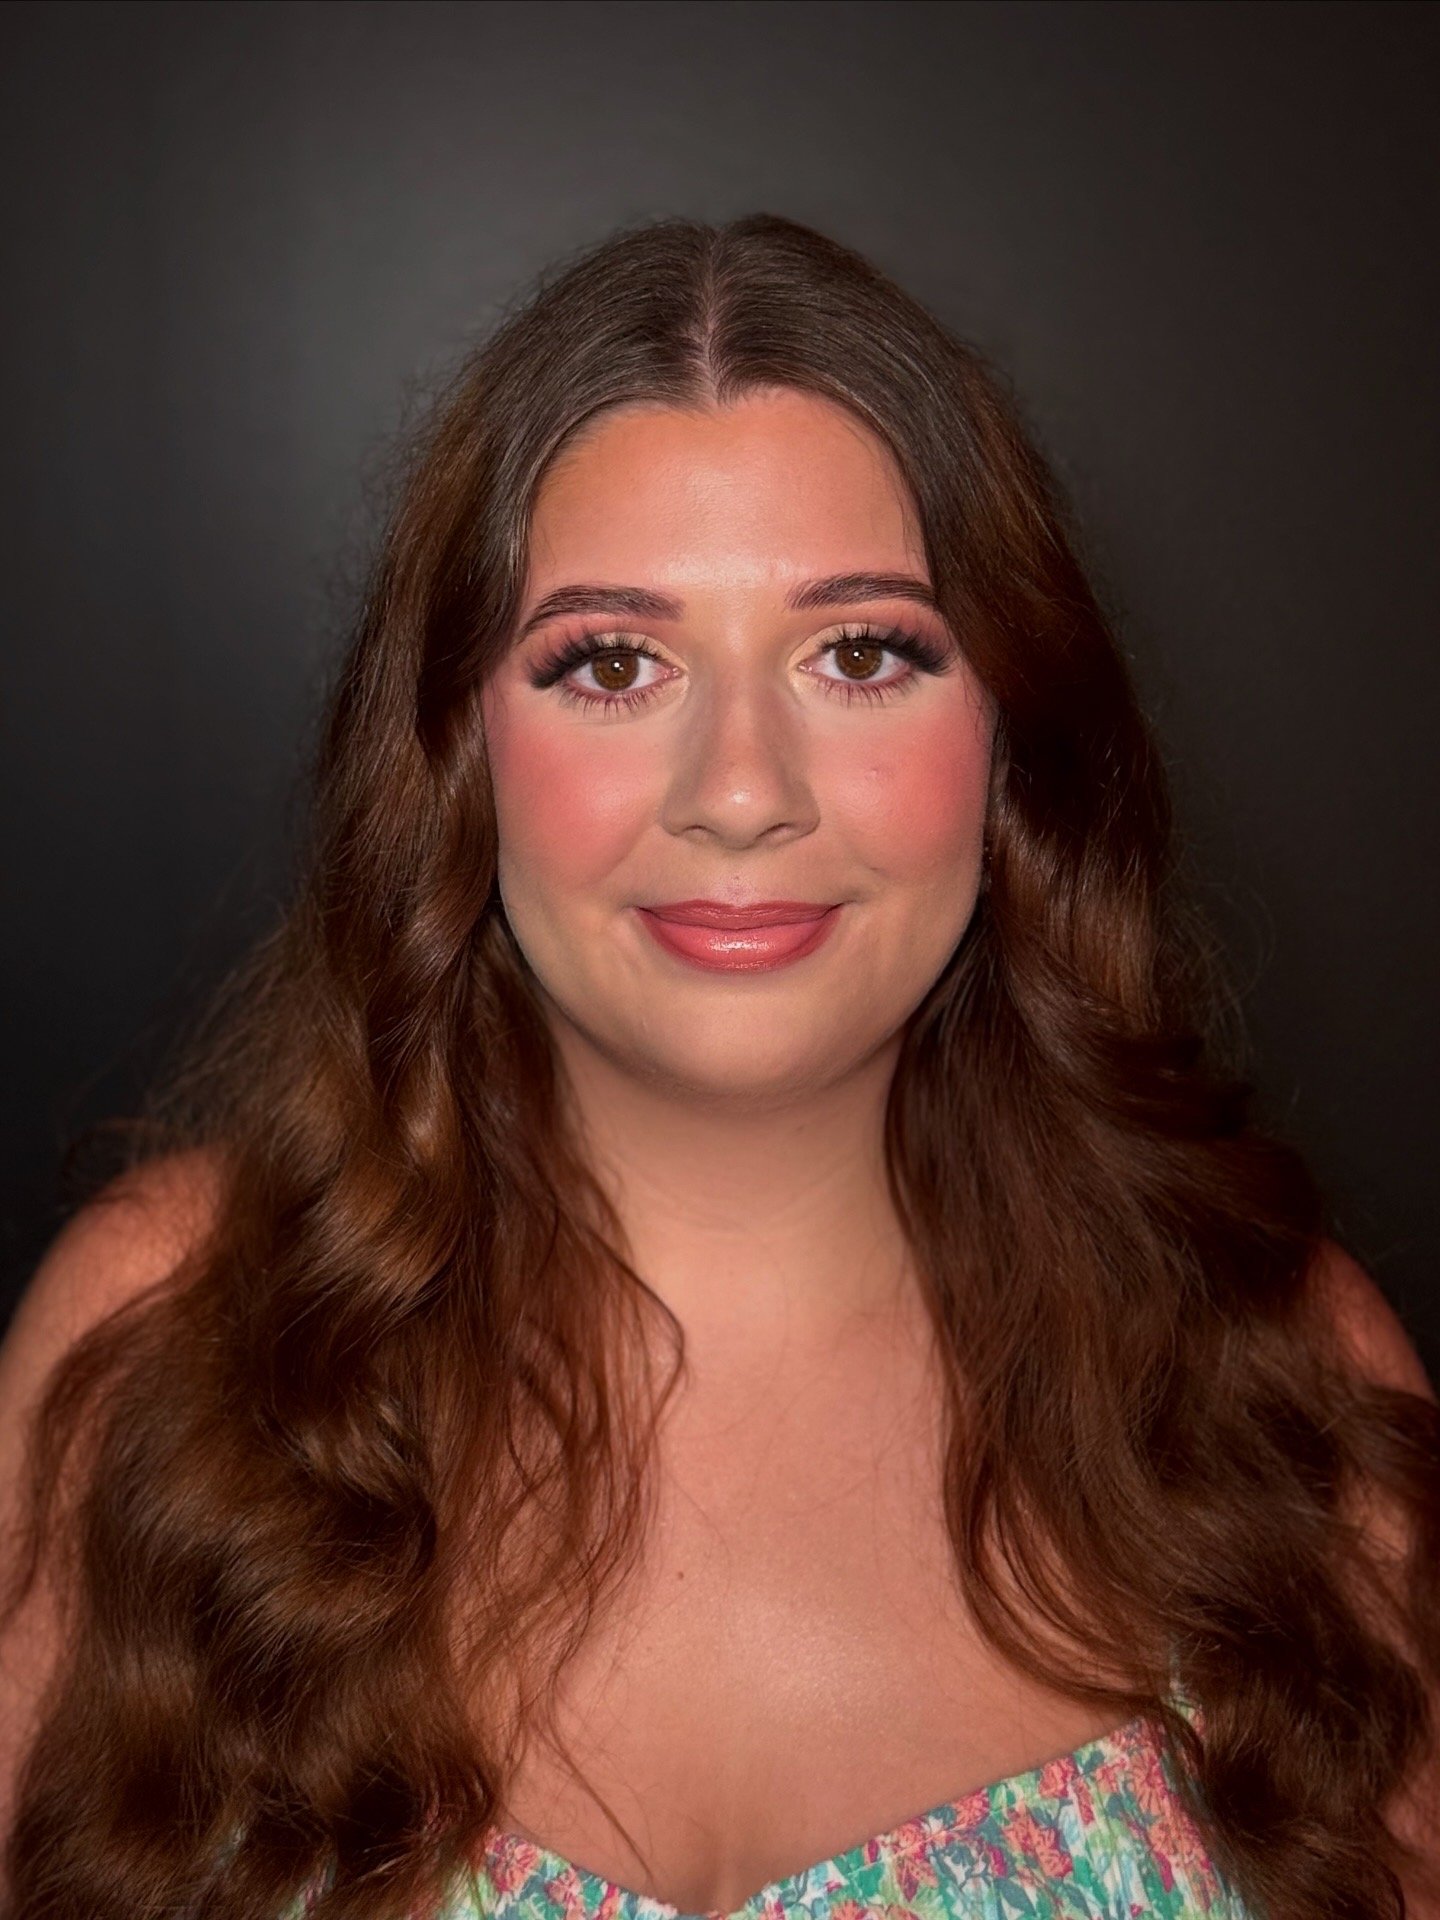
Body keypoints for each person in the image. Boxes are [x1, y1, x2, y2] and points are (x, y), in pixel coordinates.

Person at [1, 212, 1437, 1920]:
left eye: (861, 653)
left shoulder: (1288, 1385)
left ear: (1014, 744)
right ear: (458, 751)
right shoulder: (163, 1343)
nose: (741, 788)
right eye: (613, 662)